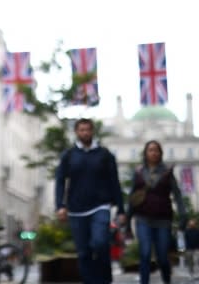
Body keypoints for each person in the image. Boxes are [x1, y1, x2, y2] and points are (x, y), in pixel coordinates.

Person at [55, 118, 126, 284]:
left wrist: (121, 209)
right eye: (81, 130)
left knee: (100, 243)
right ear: (76, 132)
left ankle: (104, 279)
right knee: (83, 252)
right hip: (76, 209)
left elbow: (114, 181)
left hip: (100, 206)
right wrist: (60, 205)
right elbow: (60, 180)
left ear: (92, 131)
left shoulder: (105, 154)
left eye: (88, 130)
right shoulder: (69, 155)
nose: (85, 133)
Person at [125, 140, 186, 284]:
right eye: (150, 150)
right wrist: (127, 220)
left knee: (162, 257)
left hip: (163, 220)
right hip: (142, 218)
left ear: (160, 153)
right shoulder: (139, 172)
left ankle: (166, 280)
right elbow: (133, 197)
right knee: (145, 254)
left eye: (156, 150)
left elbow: (177, 195)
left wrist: (183, 215)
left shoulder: (167, 172)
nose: (153, 153)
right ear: (146, 153)